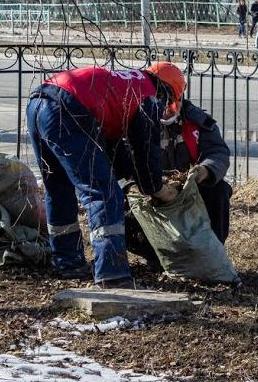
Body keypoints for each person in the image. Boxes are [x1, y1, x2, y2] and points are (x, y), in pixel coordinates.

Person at [26, 63, 184, 288]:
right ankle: (112, 275)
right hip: (69, 109)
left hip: (39, 103)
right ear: (168, 91)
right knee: (104, 195)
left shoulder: (127, 83)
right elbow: (146, 149)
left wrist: (131, 179)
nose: (165, 108)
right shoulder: (149, 97)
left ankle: (68, 262)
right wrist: (155, 188)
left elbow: (112, 146)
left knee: (58, 188)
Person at [109, 68, 233, 270]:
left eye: (171, 103)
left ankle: (211, 254)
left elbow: (217, 152)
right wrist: (133, 186)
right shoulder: (131, 120)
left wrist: (204, 171)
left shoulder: (197, 122)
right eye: (161, 102)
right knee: (117, 205)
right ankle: (156, 256)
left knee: (218, 191)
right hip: (145, 191)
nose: (166, 109)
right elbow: (118, 164)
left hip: (189, 191)